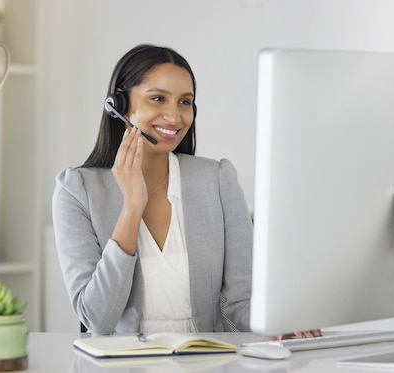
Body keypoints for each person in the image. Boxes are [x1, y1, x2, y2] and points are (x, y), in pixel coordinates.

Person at [53, 44, 254, 335]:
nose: (174, 117)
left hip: (206, 361)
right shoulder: (77, 190)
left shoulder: (218, 179)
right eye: (158, 99)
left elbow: (241, 303)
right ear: (118, 104)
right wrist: (133, 206)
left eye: (185, 102)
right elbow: (98, 319)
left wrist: (279, 329)